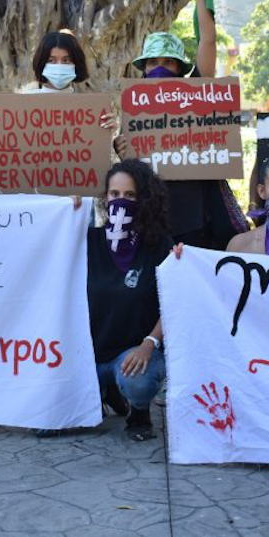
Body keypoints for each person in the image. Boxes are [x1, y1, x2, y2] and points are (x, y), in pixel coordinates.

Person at [115, 0, 247, 249]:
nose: (159, 68)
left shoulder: (196, 95)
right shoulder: (135, 106)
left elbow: (208, 42)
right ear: (144, 68)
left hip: (195, 219)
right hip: (150, 218)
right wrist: (122, 152)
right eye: (153, 63)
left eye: (167, 62)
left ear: (180, 67)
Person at [86, 160, 173, 441]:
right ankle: (106, 389)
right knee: (49, 421)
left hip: (133, 351)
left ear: (144, 199)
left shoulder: (159, 245)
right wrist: (66, 213)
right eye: (114, 195)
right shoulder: (89, 240)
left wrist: (149, 345)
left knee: (138, 381)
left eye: (130, 196)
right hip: (89, 355)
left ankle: (138, 411)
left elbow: (174, 303)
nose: (120, 202)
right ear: (105, 197)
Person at [22, 31, 90, 93]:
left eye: (66, 60)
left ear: (76, 63)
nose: (59, 67)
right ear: (41, 63)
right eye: (51, 61)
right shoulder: (25, 102)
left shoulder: (88, 104)